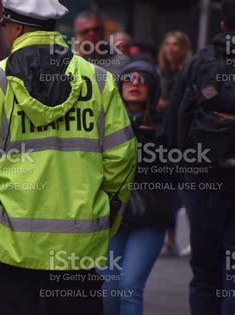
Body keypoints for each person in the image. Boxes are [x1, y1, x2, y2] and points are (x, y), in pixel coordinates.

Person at [0, 1, 137, 314]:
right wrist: (105, 213)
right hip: (77, 248)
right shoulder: (98, 81)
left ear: (16, 28)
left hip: (8, 247)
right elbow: (122, 158)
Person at [167, 0, 235, 314]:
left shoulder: (197, 64)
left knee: (205, 272)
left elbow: (176, 121)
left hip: (202, 178)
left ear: (222, 25)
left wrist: (185, 168)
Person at [100, 61, 174, 315]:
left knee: (130, 287)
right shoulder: (106, 121)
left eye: (143, 80)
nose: (135, 85)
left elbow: (175, 173)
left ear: (153, 88)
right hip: (112, 214)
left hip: (150, 215)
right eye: (129, 79)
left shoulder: (167, 125)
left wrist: (150, 139)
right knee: (107, 289)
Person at [157, 31, 193, 256]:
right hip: (160, 137)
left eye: (177, 45)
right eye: (168, 44)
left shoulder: (189, 71)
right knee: (166, 189)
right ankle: (169, 238)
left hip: (181, 138)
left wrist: (165, 105)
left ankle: (189, 237)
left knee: (183, 190)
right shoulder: (160, 73)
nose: (171, 49)